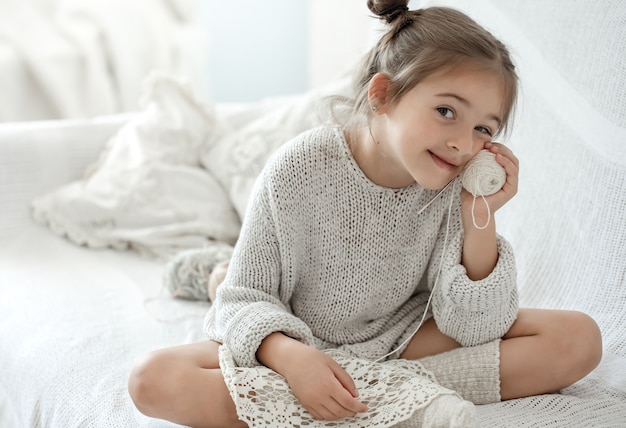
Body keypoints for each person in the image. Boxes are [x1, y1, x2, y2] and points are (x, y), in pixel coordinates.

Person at [128, 1, 603, 427]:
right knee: (153, 379)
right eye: (445, 111)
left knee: (578, 339)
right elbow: (246, 298)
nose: (463, 143)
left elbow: (477, 328)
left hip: (403, 335)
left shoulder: (455, 184)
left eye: (484, 128)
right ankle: (220, 275)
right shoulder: (299, 168)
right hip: (299, 333)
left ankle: (353, 396)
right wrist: (293, 361)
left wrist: (480, 214)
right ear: (383, 95)